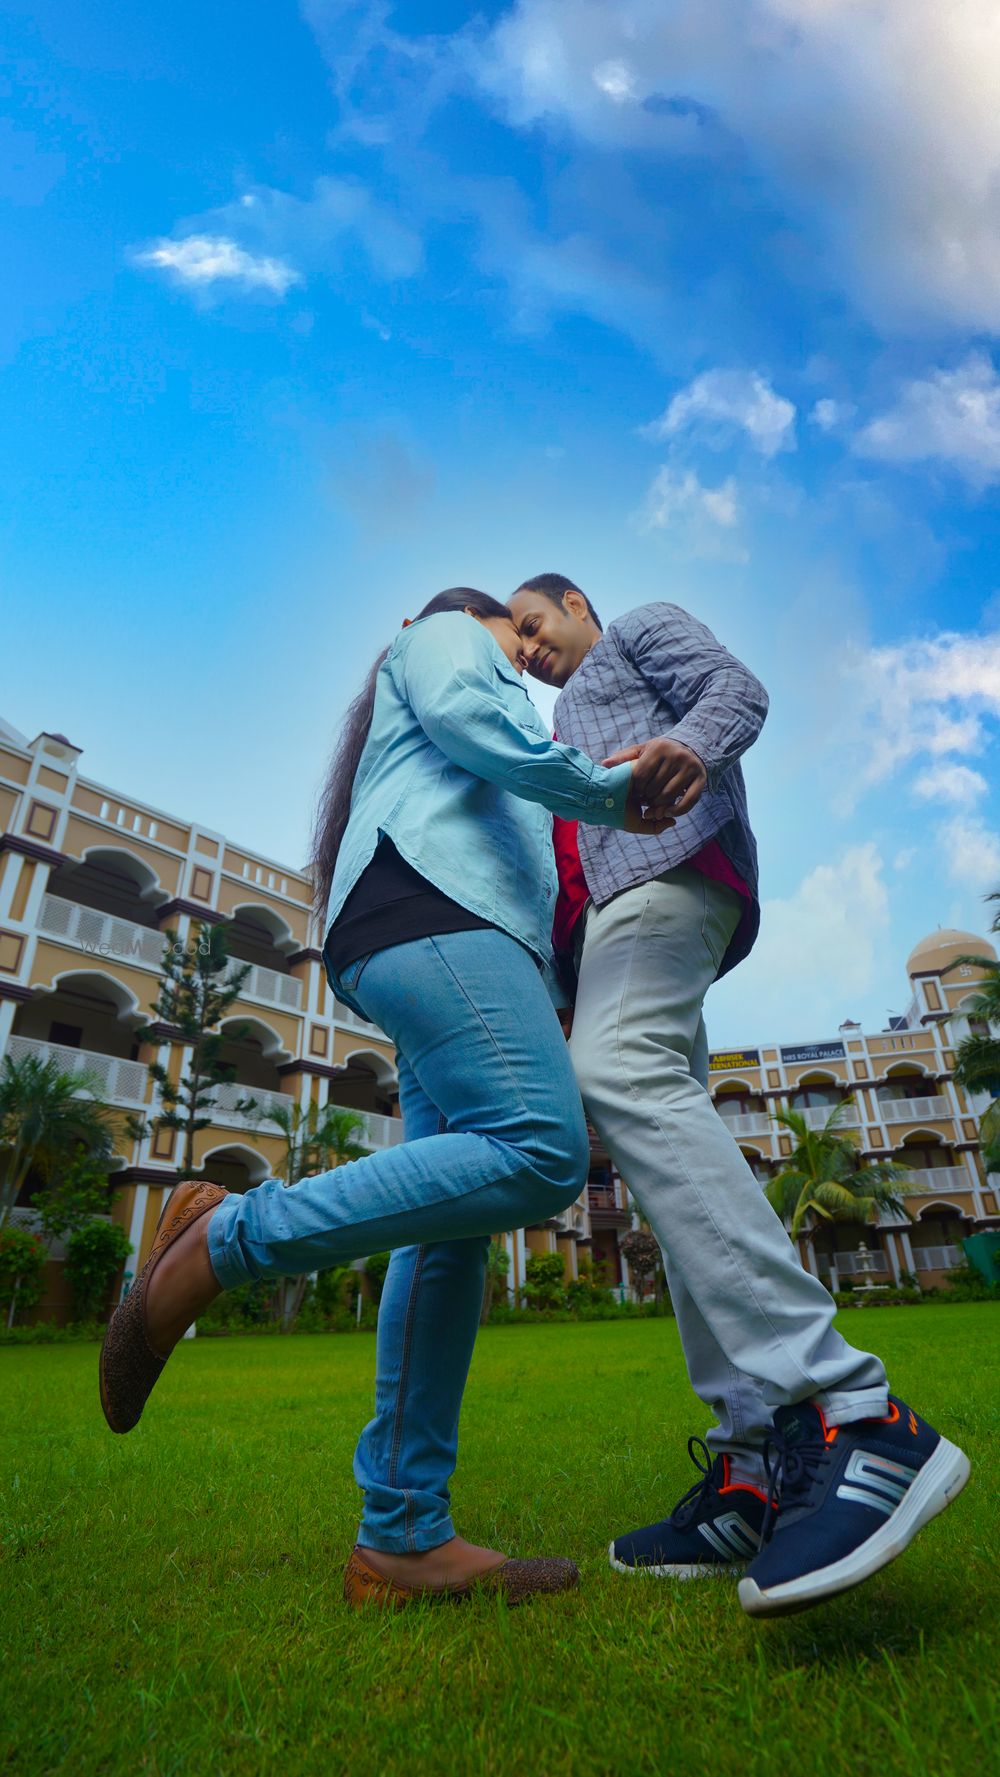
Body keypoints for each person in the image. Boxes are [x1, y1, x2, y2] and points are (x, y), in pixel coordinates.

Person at [99, 587, 671, 1610]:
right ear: (459, 618)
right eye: (517, 629)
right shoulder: (443, 638)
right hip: (435, 919)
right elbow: (467, 715)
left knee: (448, 1232)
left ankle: (401, 1534)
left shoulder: (486, 718)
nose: (527, 650)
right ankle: (222, 1238)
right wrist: (606, 790)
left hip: (451, 938)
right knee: (540, 1148)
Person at [508, 572, 970, 1618]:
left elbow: (736, 688)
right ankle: (751, 1469)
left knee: (620, 1074)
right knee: (664, 1152)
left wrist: (689, 745)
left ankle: (853, 1409)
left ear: (576, 603)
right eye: (520, 644)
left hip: (666, 879)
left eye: (534, 625)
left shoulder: (636, 630)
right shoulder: (556, 737)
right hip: (610, 934)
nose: (529, 649)